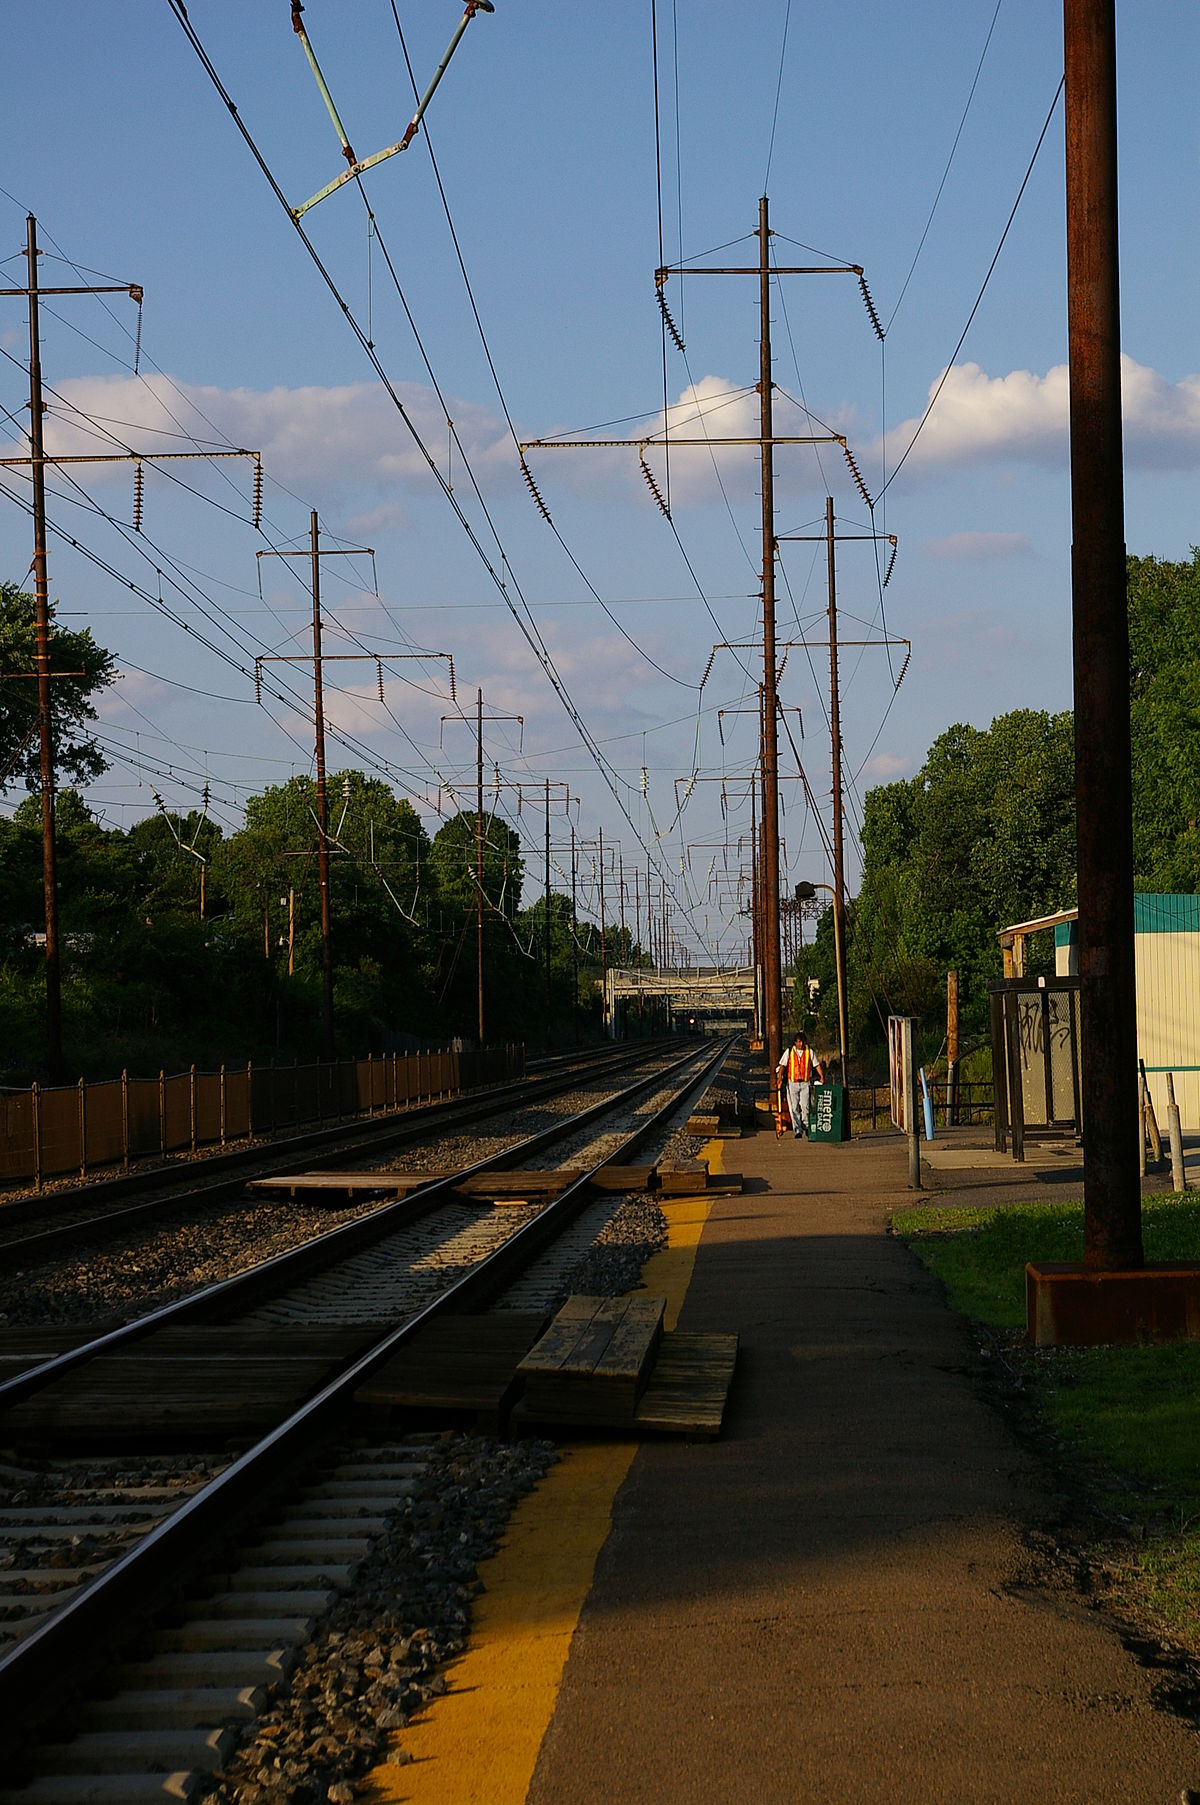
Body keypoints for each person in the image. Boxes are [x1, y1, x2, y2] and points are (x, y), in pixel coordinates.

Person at [776, 1030, 825, 1140]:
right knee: (794, 1107)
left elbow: (816, 1064)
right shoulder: (789, 1052)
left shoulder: (809, 1052)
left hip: (805, 1082)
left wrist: (821, 1076)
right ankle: (797, 1129)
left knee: (805, 1106)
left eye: (802, 1042)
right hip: (792, 1082)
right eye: (798, 1042)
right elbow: (782, 1065)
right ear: (795, 1042)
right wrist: (780, 1077)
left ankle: (806, 1126)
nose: (801, 1044)